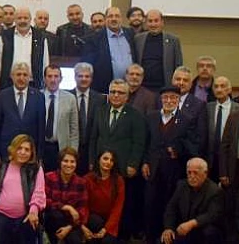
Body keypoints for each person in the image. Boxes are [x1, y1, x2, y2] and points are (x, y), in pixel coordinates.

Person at [88, 79, 145, 239]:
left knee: (123, 204)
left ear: (127, 96)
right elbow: (93, 138)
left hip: (123, 166)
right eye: (112, 92)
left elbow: (139, 142)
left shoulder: (135, 115)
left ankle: (121, 236)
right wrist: (92, 161)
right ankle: (103, 232)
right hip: (101, 167)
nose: (116, 95)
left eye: (120, 92)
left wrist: (133, 164)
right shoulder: (100, 111)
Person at [143, 86, 195, 242]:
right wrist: (145, 162)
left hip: (173, 171)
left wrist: (178, 150)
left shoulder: (186, 119)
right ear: (161, 99)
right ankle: (150, 237)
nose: (169, 100)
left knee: (169, 204)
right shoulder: (151, 117)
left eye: (173, 97)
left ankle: (166, 237)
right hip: (152, 169)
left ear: (178, 100)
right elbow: (145, 142)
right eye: (165, 97)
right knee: (150, 205)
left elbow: (192, 145)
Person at [0, 134, 46, 244]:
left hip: (26, 216)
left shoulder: (36, 169)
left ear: (32, 153)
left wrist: (33, 211)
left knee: (28, 227)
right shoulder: (2, 166)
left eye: (27, 149)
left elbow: (39, 193)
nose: (23, 152)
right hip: (1, 215)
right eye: (19, 148)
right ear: (13, 149)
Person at [161, 158, 223, 244]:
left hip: (202, 229)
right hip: (184, 228)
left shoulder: (214, 190)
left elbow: (211, 215)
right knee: (165, 239)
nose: (192, 176)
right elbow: (171, 208)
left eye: (195, 173)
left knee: (210, 232)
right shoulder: (181, 185)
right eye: (189, 172)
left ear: (205, 173)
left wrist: (192, 223)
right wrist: (168, 228)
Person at [0, 62, 46, 161]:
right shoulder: (2, 96)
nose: (21, 78)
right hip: (7, 150)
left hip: (30, 151)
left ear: (30, 77)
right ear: (12, 76)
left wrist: (39, 154)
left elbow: (41, 127)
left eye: (25, 75)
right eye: (18, 74)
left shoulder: (38, 97)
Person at [82, 7, 137, 94]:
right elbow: (88, 65)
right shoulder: (94, 39)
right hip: (105, 88)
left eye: (117, 16)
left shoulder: (130, 34)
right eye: (110, 16)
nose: (114, 19)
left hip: (130, 87)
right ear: (106, 19)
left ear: (121, 19)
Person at [0, 7, 50, 90]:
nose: (22, 21)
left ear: (30, 19)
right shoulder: (5, 36)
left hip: (33, 83)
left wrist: (46, 80)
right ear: (14, 19)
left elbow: (45, 61)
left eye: (25, 18)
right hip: (9, 83)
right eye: (19, 18)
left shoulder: (40, 37)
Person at [43, 147, 88, 244]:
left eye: (72, 162)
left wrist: (69, 227)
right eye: (65, 161)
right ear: (60, 162)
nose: (69, 165)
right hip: (52, 221)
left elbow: (82, 208)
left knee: (75, 241)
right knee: (56, 215)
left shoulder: (81, 182)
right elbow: (44, 201)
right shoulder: (49, 177)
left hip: (71, 223)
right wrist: (66, 207)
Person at [70, 62, 107, 175]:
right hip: (71, 148)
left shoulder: (100, 99)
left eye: (87, 76)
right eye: (80, 76)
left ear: (91, 78)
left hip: (92, 149)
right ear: (75, 77)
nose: (83, 79)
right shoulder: (66, 96)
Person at [41, 65, 79, 172]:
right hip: (41, 147)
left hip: (61, 148)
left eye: (56, 76)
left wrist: (73, 153)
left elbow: (74, 130)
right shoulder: (37, 96)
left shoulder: (70, 98)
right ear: (44, 79)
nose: (53, 80)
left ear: (61, 79)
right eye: (49, 76)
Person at [134, 9, 183, 90]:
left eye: (156, 21)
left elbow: (178, 65)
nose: (153, 24)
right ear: (146, 23)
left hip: (165, 87)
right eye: (150, 21)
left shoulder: (173, 40)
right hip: (142, 87)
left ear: (162, 22)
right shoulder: (138, 39)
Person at [83, 149, 124, 243]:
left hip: (111, 221)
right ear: (99, 160)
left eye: (111, 160)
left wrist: (106, 228)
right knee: (95, 222)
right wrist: (83, 226)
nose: (108, 162)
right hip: (92, 219)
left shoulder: (119, 181)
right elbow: (84, 205)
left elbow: (118, 208)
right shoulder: (87, 179)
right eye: (105, 158)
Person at [207, 76, 239, 181]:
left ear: (230, 89)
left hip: (230, 160)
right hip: (210, 159)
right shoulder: (207, 108)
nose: (219, 89)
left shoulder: (238, 109)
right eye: (216, 86)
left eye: (223, 86)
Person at [172, 66, 208, 160]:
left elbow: (200, 137)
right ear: (172, 81)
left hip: (186, 158)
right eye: (178, 79)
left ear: (191, 84)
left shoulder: (199, 105)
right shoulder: (160, 100)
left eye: (185, 80)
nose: (181, 83)